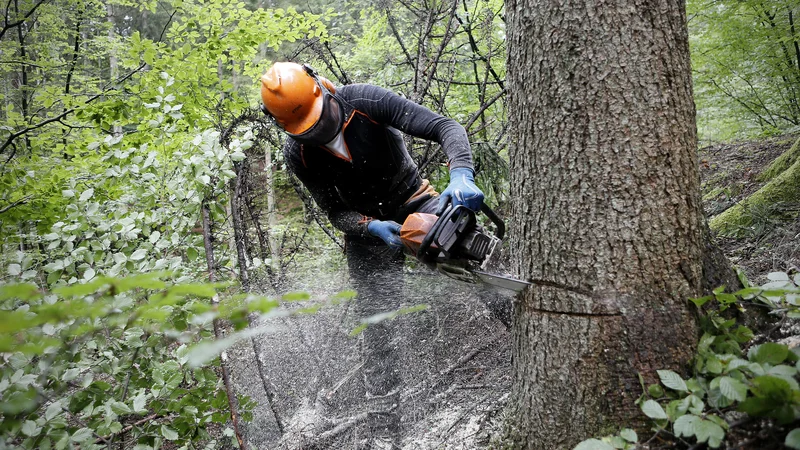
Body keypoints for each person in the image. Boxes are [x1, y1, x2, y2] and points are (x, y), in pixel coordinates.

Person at [259, 61, 484, 448]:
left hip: (413, 198)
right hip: (368, 230)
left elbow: (445, 127)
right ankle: (384, 428)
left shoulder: (366, 100)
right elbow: (335, 213)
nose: (318, 131)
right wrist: (368, 227)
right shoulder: (299, 156)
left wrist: (461, 173)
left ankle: (519, 319)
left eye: (321, 119)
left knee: (468, 251)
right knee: (377, 325)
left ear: (324, 90)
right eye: (307, 130)